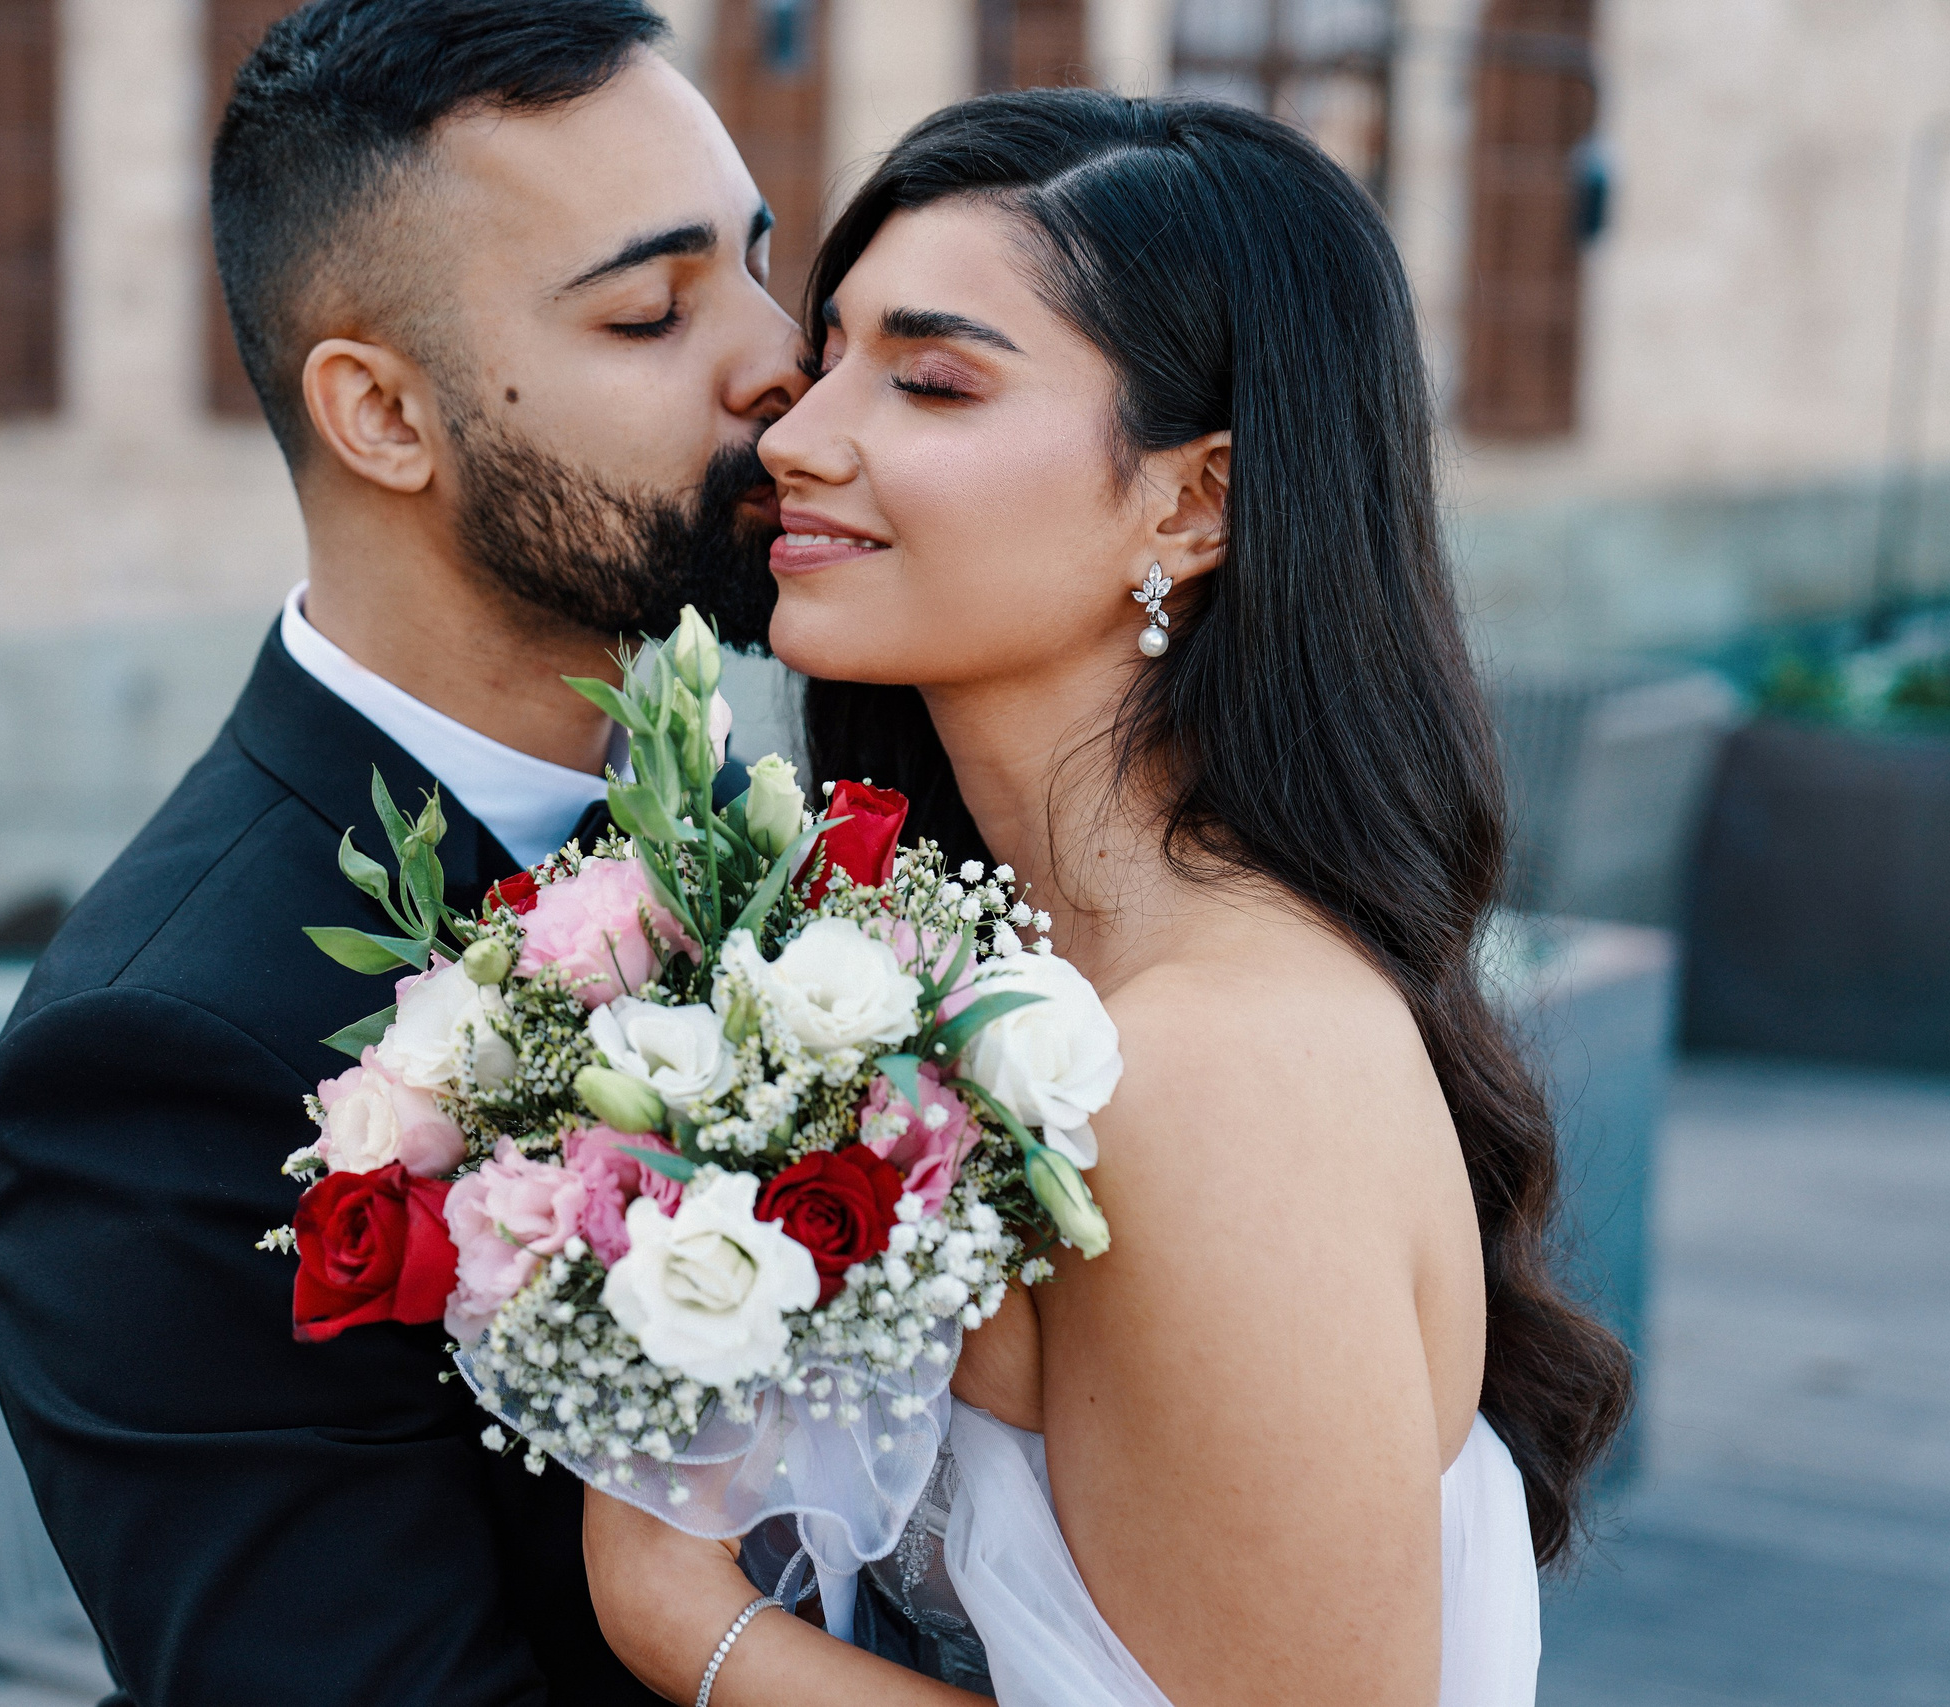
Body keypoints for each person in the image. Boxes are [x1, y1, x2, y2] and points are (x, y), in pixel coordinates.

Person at [579, 91, 1633, 1707]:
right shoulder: (960, 967)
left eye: (931, 381)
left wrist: (682, 1621)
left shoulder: (1218, 1070)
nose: (796, 437)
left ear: (1192, 502)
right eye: (829, 355)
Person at [0, 2, 804, 1701]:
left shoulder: (767, 821)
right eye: (651, 312)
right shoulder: (154, 1066)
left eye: (760, 265)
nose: (780, 363)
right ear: (383, 416)